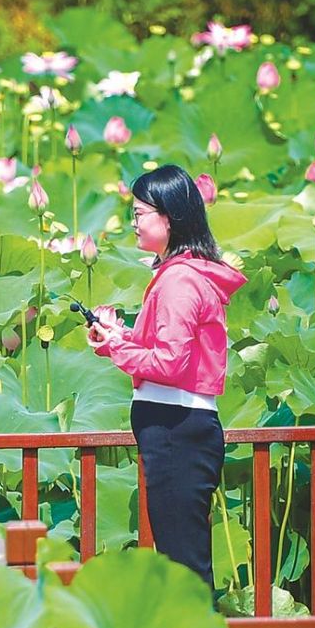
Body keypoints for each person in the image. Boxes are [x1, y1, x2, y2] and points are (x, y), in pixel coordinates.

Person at [85, 164, 246, 589]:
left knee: (183, 569)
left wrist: (116, 347)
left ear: (169, 218)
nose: (133, 223)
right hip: (180, 428)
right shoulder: (183, 275)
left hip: (176, 430)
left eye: (140, 213)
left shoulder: (179, 281)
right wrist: (116, 338)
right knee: (182, 562)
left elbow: (170, 363)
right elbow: (167, 353)